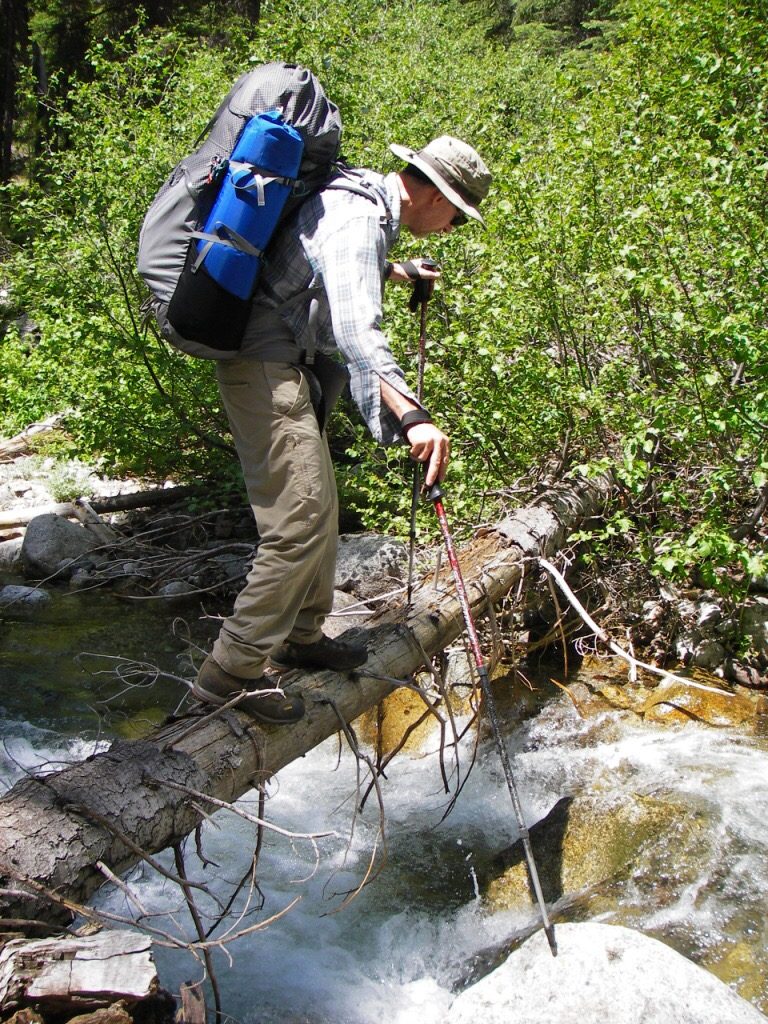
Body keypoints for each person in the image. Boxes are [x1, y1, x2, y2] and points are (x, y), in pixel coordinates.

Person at [192, 135, 492, 724]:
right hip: (266, 365)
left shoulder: (360, 205)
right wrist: (413, 415)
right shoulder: (360, 218)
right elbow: (358, 334)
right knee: (298, 521)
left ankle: (300, 637)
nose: (452, 227)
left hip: (287, 363)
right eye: (457, 215)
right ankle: (230, 670)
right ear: (435, 194)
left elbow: (324, 261)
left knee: (320, 509)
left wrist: (399, 271)